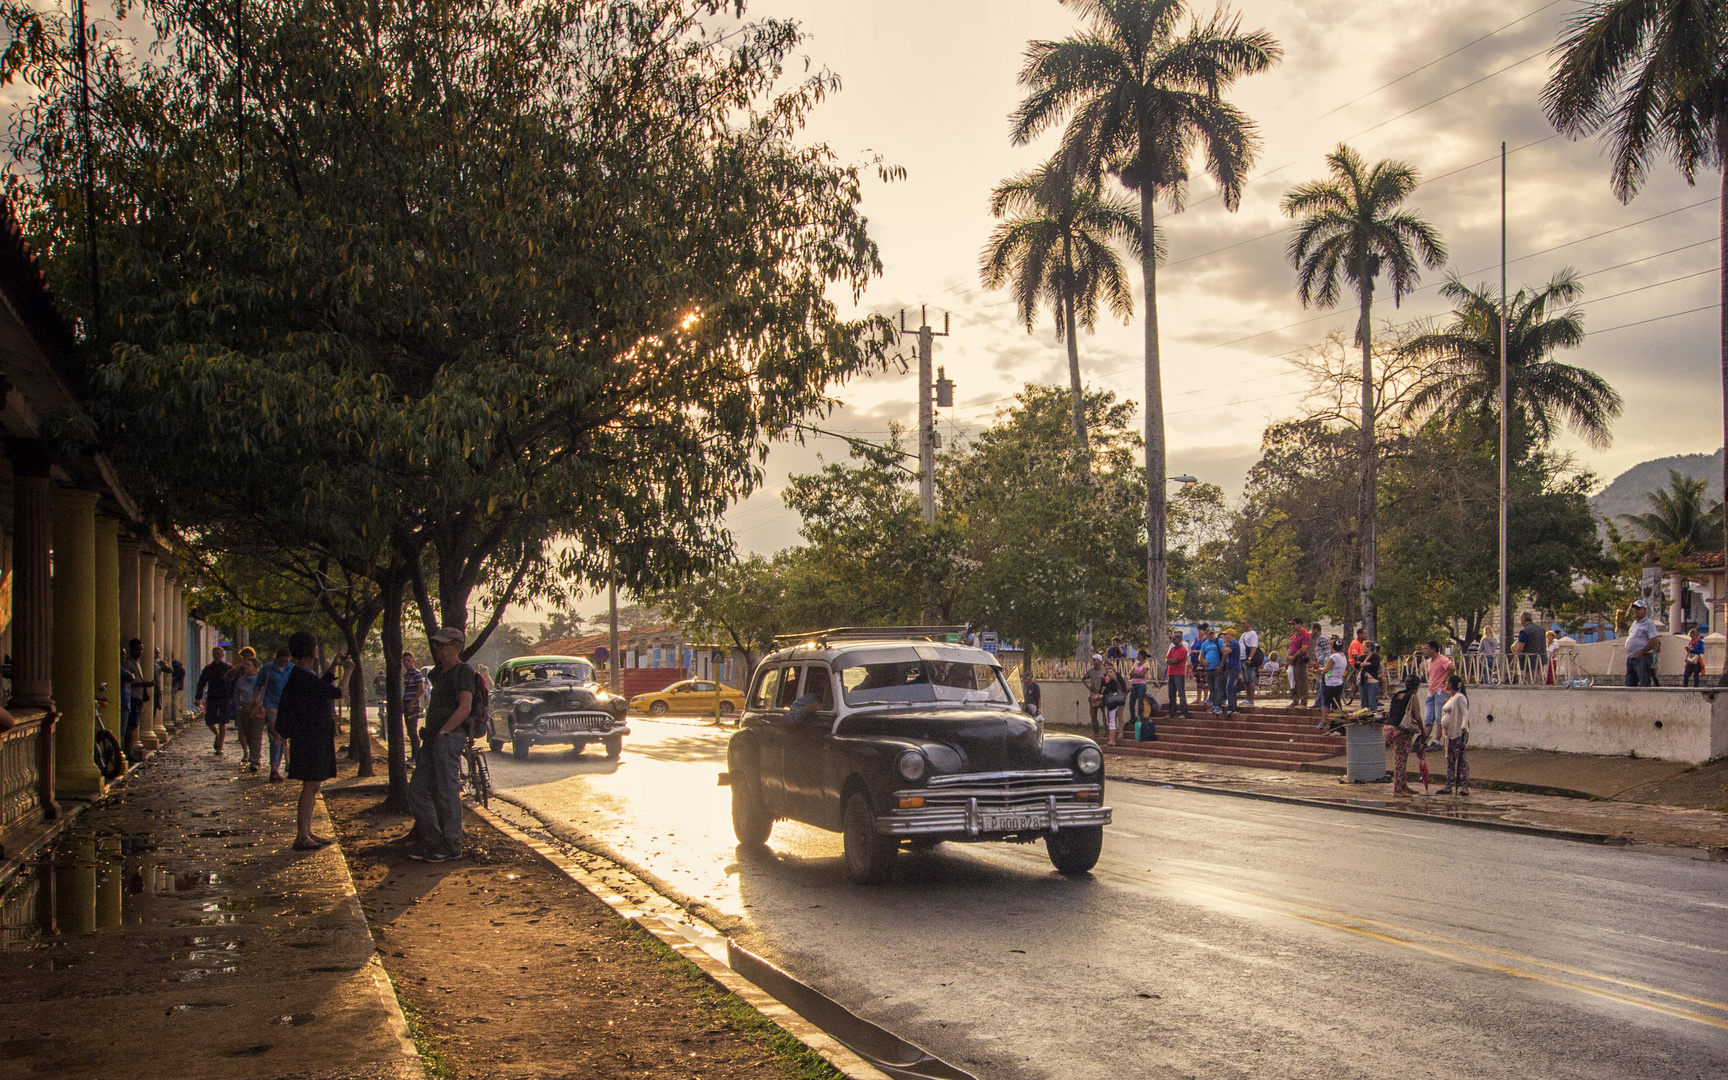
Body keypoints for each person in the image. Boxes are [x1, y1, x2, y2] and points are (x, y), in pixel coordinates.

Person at [271, 631, 352, 850]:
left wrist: (334, 666)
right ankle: (302, 836)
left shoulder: (301, 676)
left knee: (313, 785)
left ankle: (306, 831)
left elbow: (320, 687)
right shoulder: (303, 677)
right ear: (311, 650)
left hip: (309, 737)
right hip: (310, 739)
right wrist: (348, 672)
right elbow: (336, 693)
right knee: (310, 786)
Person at [408, 627, 480, 861]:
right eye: (437, 645)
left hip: (448, 738)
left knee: (448, 792)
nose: (439, 649)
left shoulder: (463, 672)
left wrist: (444, 731)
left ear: (458, 645)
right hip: (433, 738)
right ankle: (433, 841)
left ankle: (451, 844)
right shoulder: (439, 674)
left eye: (444, 645)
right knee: (418, 789)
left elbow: (465, 707)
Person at [1383, 674, 1429, 796]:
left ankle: (1404, 785)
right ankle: (1397, 789)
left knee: (1401, 758)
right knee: (1400, 760)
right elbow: (1417, 716)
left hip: (1388, 729)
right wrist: (1423, 731)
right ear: (1417, 687)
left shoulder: (1397, 695)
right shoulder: (1412, 697)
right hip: (1400, 731)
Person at [195, 646, 237, 755]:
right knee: (209, 720)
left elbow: (234, 682)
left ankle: (220, 746)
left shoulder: (227, 667)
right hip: (212, 696)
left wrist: (233, 695)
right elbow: (201, 683)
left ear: (222, 655)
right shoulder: (208, 668)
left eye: (218, 653)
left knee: (223, 721)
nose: (216, 655)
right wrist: (198, 697)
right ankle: (217, 736)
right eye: (214, 653)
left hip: (224, 697)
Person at [261, 647, 295, 782]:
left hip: (288, 707)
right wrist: (256, 703)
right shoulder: (267, 669)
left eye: (286, 661)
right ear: (277, 658)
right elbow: (258, 685)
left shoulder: (292, 668)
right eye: (282, 661)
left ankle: (281, 765)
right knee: (276, 735)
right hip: (271, 706)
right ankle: (274, 769)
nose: (284, 663)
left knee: (283, 738)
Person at [234, 649, 267, 774]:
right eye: (245, 664)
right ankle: (253, 756)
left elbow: (265, 693)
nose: (245, 667)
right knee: (247, 735)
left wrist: (262, 706)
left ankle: (255, 760)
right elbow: (236, 693)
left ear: (255, 667)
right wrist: (238, 706)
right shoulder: (241, 679)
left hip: (257, 709)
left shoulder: (261, 680)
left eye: (248, 665)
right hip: (244, 709)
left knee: (255, 734)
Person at [1438, 673, 1471, 795]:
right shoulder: (1452, 698)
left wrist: (1464, 726)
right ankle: (1449, 784)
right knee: (1450, 760)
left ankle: (1464, 786)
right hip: (1449, 734)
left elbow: (1465, 713)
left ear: (1451, 684)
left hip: (1457, 733)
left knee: (1461, 760)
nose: (1445, 683)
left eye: (1447, 681)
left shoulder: (1460, 697)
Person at [1422, 640, 1454, 751]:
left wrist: (1445, 680)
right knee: (1428, 719)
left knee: (1439, 718)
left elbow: (1452, 667)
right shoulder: (1429, 662)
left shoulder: (1442, 659)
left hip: (1440, 691)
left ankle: (1437, 741)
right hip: (1431, 691)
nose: (1425, 651)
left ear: (1433, 649)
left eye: (1427, 648)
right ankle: (1424, 741)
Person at [120, 638, 149, 754]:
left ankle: (129, 750)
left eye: (142, 649)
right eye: (138, 649)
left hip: (137, 697)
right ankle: (128, 751)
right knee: (129, 727)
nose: (140, 652)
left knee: (133, 725)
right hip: (131, 697)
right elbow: (128, 680)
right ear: (132, 649)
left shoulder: (136, 663)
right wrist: (144, 684)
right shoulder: (128, 663)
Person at [1624, 599, 1661, 687]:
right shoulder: (1634, 623)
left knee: (1644, 681)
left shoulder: (1648, 623)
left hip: (1642, 658)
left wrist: (1642, 652)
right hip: (1631, 658)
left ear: (1644, 610)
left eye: (1638, 609)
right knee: (1629, 683)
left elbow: (1654, 639)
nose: (1636, 611)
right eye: (1635, 609)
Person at [401, 650, 428, 758]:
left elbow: (421, 690)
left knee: (412, 730)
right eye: (404, 661)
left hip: (413, 704)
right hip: (407, 703)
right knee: (409, 730)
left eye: (408, 660)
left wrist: (412, 702)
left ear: (412, 661)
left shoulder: (416, 673)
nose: (406, 663)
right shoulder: (406, 675)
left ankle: (416, 755)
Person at [1098, 662, 1128, 746]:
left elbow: (1113, 689)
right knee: (1111, 720)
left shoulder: (1115, 680)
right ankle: (1111, 737)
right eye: (1107, 670)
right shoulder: (1105, 679)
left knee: (1115, 718)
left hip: (1115, 702)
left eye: (1110, 671)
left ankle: (1114, 738)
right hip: (1110, 702)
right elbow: (1102, 689)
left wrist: (1105, 689)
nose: (1108, 672)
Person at [1513, 612, 1545, 684]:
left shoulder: (1525, 631)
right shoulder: (1541, 629)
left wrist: (1514, 659)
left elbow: (1521, 647)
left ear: (1523, 619)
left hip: (1529, 659)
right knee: (1538, 678)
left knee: (1530, 679)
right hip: (1541, 658)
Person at [1199, 626, 1224, 715]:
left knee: (1218, 688)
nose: (1211, 635)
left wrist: (1221, 665)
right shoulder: (1204, 644)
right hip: (1209, 668)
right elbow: (1201, 655)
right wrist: (1203, 661)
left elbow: (1224, 653)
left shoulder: (1219, 642)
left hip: (1217, 668)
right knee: (1212, 688)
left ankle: (1218, 705)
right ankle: (1213, 704)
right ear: (1207, 635)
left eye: (1212, 633)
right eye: (1209, 634)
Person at [1082, 654, 1108, 738]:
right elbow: (1084, 678)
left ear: (1100, 661)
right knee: (1093, 715)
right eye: (1093, 660)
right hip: (1093, 696)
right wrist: (1088, 686)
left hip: (1103, 695)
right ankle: (1095, 731)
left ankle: (1107, 731)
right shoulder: (1090, 671)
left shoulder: (1105, 671)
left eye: (1095, 660)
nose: (1093, 662)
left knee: (1105, 715)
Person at [1287, 618, 1311, 710]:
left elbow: (1304, 648)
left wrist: (1294, 656)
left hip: (1300, 661)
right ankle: (1295, 699)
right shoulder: (1294, 635)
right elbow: (1290, 647)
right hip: (1292, 662)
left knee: (1301, 681)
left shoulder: (1305, 634)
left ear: (1299, 624)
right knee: (1293, 681)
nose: (1293, 626)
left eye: (1294, 624)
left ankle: (1303, 701)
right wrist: (1288, 656)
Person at [1165, 631, 1190, 719]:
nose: (1173, 641)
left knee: (1181, 693)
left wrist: (1171, 660)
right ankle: (1172, 712)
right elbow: (1167, 659)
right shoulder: (1172, 649)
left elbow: (1175, 661)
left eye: (1174, 639)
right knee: (1171, 694)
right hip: (1171, 672)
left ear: (1179, 639)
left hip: (1179, 673)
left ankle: (1184, 712)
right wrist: (1171, 660)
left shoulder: (1183, 649)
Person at [1221, 628, 1244, 715]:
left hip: (1234, 668)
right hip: (1230, 668)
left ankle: (1231, 707)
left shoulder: (1234, 643)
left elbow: (1225, 652)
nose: (1225, 636)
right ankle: (1234, 706)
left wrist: (1223, 644)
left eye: (1226, 634)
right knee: (1233, 688)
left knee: (1229, 687)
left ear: (1231, 635)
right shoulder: (1231, 644)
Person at [1359, 641, 1385, 712]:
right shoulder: (1362, 657)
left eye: (1364, 647)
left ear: (1369, 648)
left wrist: (1365, 665)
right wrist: (1363, 664)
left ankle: (1373, 714)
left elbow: (1374, 665)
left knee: (1372, 701)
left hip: (1372, 681)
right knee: (1363, 701)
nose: (1363, 648)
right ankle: (1364, 715)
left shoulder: (1375, 657)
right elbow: (1357, 665)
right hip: (1362, 681)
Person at [1127, 650, 1151, 725]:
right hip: (1134, 684)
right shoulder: (1136, 664)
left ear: (1142, 656)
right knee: (1131, 702)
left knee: (1140, 702)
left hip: (1141, 685)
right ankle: (1132, 718)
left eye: (1138, 655)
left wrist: (1135, 674)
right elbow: (1130, 673)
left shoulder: (1146, 664)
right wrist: (1137, 674)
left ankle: (1140, 717)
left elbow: (1142, 675)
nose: (1137, 656)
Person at [1239, 619, 1261, 704]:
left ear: (1249, 624)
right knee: (1245, 680)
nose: (1242, 625)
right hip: (1242, 658)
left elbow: (1253, 647)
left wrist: (1250, 658)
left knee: (1250, 679)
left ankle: (1251, 699)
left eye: (1244, 623)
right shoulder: (1244, 634)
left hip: (1247, 659)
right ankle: (1247, 698)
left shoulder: (1252, 634)